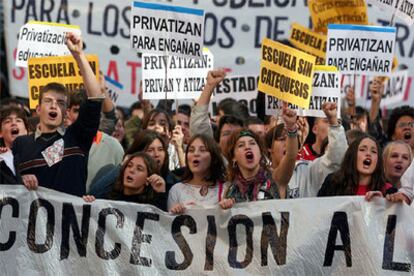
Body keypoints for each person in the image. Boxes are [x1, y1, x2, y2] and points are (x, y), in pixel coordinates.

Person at [12, 33, 102, 196]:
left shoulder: (76, 137)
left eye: (60, 103)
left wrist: (79, 55)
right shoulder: (21, 144)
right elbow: (7, 180)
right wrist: (21, 178)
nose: (54, 105)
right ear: (38, 109)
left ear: (66, 112)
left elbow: (95, 98)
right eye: (48, 101)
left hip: (70, 220)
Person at [266, 102, 347, 198]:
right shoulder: (260, 176)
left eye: (291, 140)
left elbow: (337, 159)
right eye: (282, 139)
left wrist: (333, 122)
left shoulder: (308, 170)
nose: (287, 143)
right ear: (270, 148)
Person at [84, 152, 167, 210]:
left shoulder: (150, 206)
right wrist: (88, 202)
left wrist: (161, 193)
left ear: (148, 179)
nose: (131, 170)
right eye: (129, 165)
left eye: (139, 169)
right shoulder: (108, 198)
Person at [168, 134, 226, 214]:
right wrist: (176, 212)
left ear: (214, 158)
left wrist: (227, 208)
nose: (196, 154)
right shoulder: (176, 190)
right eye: (191, 150)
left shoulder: (226, 189)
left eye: (202, 150)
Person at [318, 135, 392, 197]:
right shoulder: (333, 183)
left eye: (373, 151)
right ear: (352, 156)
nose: (368, 154)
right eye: (362, 150)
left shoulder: (387, 190)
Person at [0, 106, 29, 184]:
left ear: (26, 130)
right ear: (0, 133)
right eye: (7, 121)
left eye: (18, 120)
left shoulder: (39, 153)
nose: (13, 123)